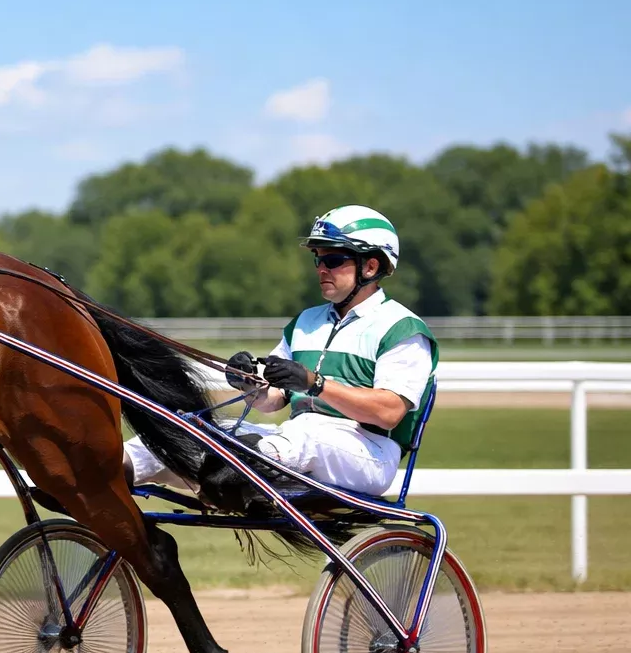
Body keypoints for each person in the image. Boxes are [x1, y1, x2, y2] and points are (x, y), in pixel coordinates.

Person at [124, 205, 437, 497]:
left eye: (333, 260)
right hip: (293, 439)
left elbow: (388, 413)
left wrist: (316, 383)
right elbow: (271, 400)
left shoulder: (403, 328)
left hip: (368, 452)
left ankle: (236, 468)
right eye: (318, 259)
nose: (321, 269)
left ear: (370, 266)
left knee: (303, 439)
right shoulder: (306, 322)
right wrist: (248, 381)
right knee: (187, 428)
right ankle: (104, 470)